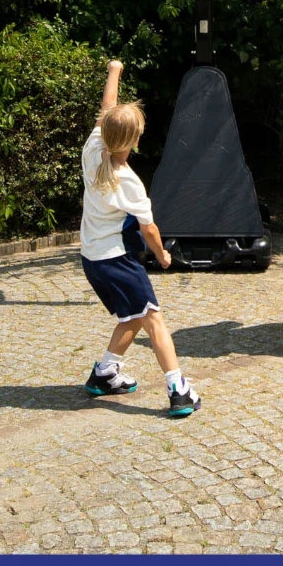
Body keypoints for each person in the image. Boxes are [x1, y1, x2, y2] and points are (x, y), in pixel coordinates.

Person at [79, 59, 201, 417]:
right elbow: (149, 229)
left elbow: (106, 108)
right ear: (134, 140)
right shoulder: (129, 182)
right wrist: (162, 256)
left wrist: (113, 72)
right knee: (152, 317)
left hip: (92, 259)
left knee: (132, 315)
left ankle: (104, 373)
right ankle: (179, 390)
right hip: (117, 259)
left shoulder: (92, 149)